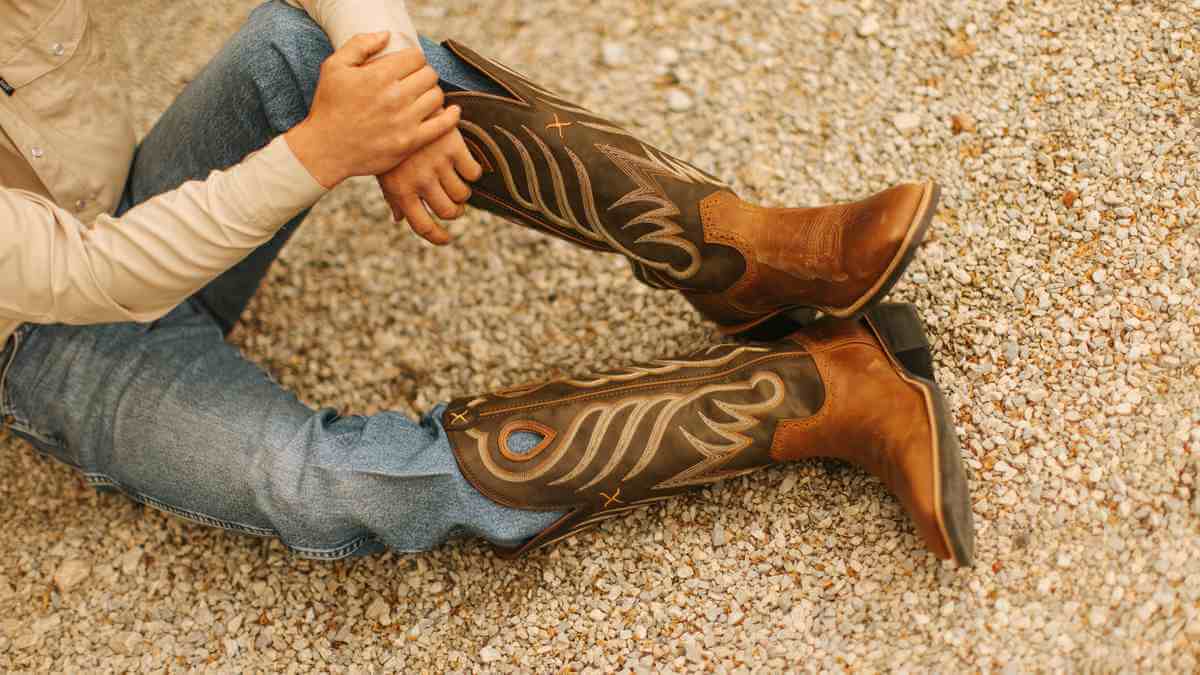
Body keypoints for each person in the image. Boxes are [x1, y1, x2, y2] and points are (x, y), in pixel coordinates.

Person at [0, 0, 974, 565]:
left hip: (120, 198)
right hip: (49, 337)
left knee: (300, 49)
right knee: (310, 484)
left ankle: (740, 255)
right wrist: (325, 149)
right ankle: (821, 394)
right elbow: (101, 279)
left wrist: (396, 109)